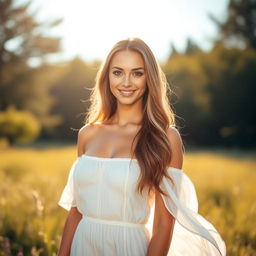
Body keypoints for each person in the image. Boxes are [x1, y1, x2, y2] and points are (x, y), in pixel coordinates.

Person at [57, 37, 226, 256]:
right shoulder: (87, 134)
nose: (126, 82)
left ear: (149, 79)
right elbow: (76, 210)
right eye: (117, 72)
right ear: (107, 77)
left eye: (137, 73)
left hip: (129, 248)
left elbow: (164, 225)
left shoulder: (165, 137)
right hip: (84, 245)